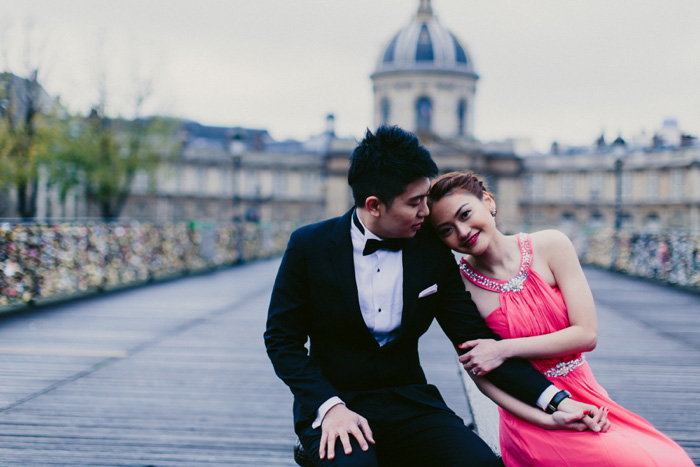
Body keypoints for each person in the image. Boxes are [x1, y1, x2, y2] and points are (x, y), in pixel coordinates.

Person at [264, 126, 606, 467]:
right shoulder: (308, 246)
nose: (427, 213)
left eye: (426, 199)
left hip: (410, 400)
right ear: (375, 205)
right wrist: (329, 407)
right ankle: (312, 446)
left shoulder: (432, 252)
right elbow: (282, 340)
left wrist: (556, 400)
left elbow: (477, 342)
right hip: (334, 401)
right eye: (415, 204)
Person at [427, 170, 695, 467]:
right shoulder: (457, 286)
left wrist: (505, 348)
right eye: (446, 230)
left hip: (589, 394)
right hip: (529, 415)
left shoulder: (551, 244)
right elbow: (483, 378)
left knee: (673, 459)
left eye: (465, 214)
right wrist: (549, 420)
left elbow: (586, 334)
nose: (462, 231)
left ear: (488, 202)